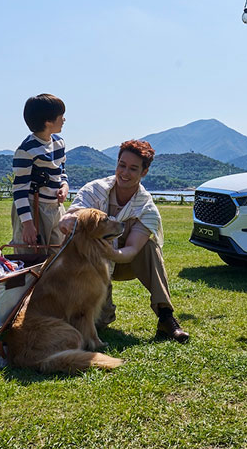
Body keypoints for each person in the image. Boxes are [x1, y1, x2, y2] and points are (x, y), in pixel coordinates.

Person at [59, 139, 189, 343]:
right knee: (100, 321)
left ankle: (166, 316)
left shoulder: (147, 208)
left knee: (149, 247)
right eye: (122, 165)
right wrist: (68, 219)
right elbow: (74, 214)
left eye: (133, 168)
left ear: (144, 172)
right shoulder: (94, 190)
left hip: (122, 262)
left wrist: (111, 253)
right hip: (88, 263)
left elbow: (132, 250)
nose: (125, 173)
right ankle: (77, 305)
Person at [11, 94, 69, 247]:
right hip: (33, 208)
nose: (64, 120)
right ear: (48, 121)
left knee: (58, 251)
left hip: (55, 208)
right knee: (31, 252)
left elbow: (61, 171)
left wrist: (64, 186)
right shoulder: (26, 150)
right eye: (61, 116)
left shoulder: (59, 143)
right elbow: (20, 189)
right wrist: (27, 224)